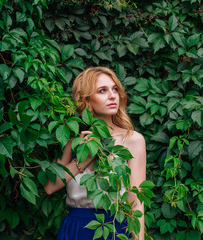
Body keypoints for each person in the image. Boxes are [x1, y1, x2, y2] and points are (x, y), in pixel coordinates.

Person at [44, 66, 146, 240]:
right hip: (76, 228)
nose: (113, 95)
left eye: (114, 89)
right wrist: (85, 160)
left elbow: (135, 202)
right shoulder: (71, 139)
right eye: (102, 91)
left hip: (114, 226)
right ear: (87, 100)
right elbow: (50, 187)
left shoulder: (132, 139)